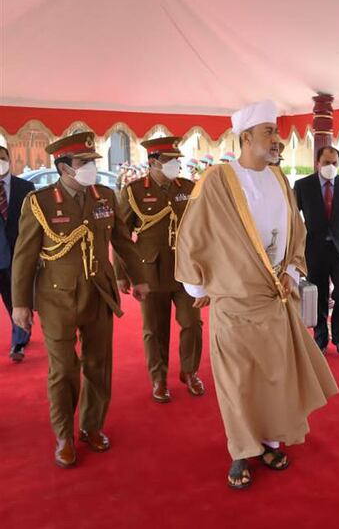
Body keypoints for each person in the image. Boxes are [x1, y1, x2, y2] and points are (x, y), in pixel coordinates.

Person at [174, 100, 338, 490]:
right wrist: (198, 287)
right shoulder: (218, 180)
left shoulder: (280, 180)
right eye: (269, 133)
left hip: (276, 300)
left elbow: (296, 233)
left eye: (277, 133)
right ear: (245, 137)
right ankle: (240, 450)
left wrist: (294, 272)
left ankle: (268, 442)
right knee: (238, 381)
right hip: (234, 302)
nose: (277, 141)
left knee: (273, 376)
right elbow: (192, 234)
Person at [11, 132, 150, 468]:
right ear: (63, 167)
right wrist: (20, 303)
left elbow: (123, 240)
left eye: (92, 162)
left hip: (99, 293)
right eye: (83, 163)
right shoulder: (40, 202)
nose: (90, 168)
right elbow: (25, 255)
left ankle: (91, 426)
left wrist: (138, 277)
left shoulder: (104, 195)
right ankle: (64, 435)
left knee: (98, 365)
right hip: (57, 298)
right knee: (64, 370)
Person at [115, 136, 205, 403]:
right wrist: (122, 273)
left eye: (177, 160)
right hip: (150, 270)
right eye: (170, 160)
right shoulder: (133, 191)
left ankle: (189, 371)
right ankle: (159, 378)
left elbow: (202, 227)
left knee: (192, 323)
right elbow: (120, 234)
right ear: (153, 162)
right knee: (155, 329)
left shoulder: (188, 187)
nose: (176, 164)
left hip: (187, 269)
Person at [294, 146, 339, 355]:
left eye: (334, 163)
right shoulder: (303, 185)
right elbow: (293, 219)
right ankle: (321, 338)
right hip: (314, 250)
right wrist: (294, 248)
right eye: (326, 163)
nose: (330, 167)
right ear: (317, 163)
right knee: (319, 295)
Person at [0, 145, 35, 362]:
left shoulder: (25, 187)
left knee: (17, 300)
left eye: (2, 158)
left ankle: (19, 342)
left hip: (17, 256)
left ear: (9, 160)